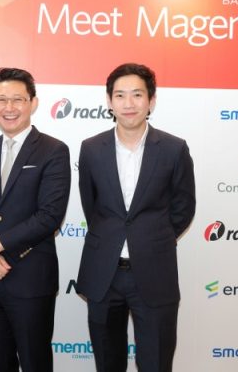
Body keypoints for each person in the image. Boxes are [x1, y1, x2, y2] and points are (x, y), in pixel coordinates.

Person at [76, 63, 196, 372]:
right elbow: (92, 207)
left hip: (155, 273)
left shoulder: (174, 149)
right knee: (107, 363)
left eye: (137, 95)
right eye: (120, 95)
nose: (128, 103)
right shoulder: (91, 149)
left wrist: (152, 238)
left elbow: (183, 207)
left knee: (156, 363)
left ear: (151, 100)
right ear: (109, 101)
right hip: (104, 273)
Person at [0, 67, 71, 372]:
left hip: (30, 280)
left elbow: (49, 216)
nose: (8, 107)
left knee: (35, 364)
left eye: (18, 99)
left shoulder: (53, 150)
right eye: (1, 100)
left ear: (33, 103)